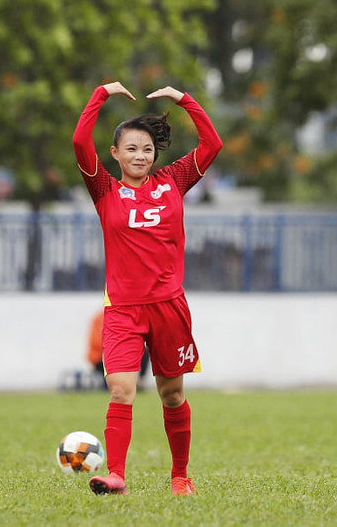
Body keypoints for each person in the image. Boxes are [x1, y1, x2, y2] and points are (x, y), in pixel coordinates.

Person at [72, 82, 223, 495]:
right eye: (132, 149)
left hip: (169, 307)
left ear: (155, 155)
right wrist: (100, 94)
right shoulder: (104, 191)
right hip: (122, 309)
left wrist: (184, 100)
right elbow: (79, 139)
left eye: (147, 149)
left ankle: (180, 477)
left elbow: (213, 143)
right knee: (121, 389)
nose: (140, 156)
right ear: (115, 154)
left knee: (172, 396)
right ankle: (116, 474)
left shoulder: (172, 181)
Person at [87, 309, 149, 390]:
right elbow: (101, 342)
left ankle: (139, 381)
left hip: (111, 354)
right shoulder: (102, 318)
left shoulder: (112, 316)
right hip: (101, 357)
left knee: (143, 351)